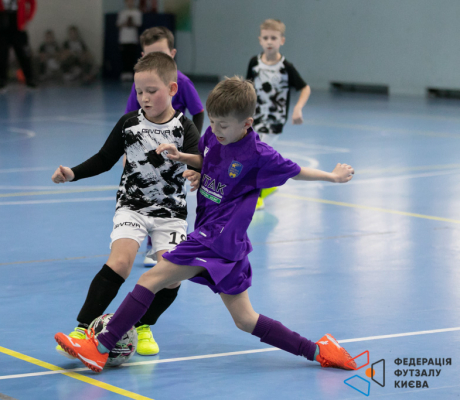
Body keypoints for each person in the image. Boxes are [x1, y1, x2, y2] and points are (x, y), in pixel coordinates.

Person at [55, 77, 357, 374]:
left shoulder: (259, 155)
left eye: (223, 125)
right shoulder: (213, 136)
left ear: (247, 123)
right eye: (212, 122)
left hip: (216, 238)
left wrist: (333, 177)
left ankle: (100, 347)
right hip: (228, 245)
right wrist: (184, 158)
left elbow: (295, 170)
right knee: (245, 319)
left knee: (151, 279)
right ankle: (318, 351)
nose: (215, 129)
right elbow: (207, 159)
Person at [51, 52, 200, 358]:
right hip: (132, 206)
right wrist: (72, 173)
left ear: (172, 89)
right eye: (139, 91)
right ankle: (82, 329)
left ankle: (142, 326)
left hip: (171, 213)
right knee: (120, 262)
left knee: (171, 275)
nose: (144, 97)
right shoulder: (129, 124)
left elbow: (200, 161)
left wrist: (196, 170)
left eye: (152, 91)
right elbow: (105, 159)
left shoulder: (185, 127)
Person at [125, 26, 205, 267]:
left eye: (161, 53)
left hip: (175, 152)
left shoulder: (182, 81)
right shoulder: (141, 85)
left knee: (173, 197)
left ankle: (177, 244)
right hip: (148, 151)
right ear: (142, 57)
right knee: (150, 195)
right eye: (150, 55)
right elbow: (130, 117)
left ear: (172, 53)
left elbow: (199, 112)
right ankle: (153, 246)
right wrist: (129, 151)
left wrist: (191, 148)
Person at [246, 19, 311, 210]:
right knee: (252, 153)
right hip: (254, 118)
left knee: (257, 155)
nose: (269, 41)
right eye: (266, 38)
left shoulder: (286, 67)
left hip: (274, 120)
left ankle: (257, 195)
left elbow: (305, 88)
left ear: (281, 40)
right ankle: (268, 186)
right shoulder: (254, 63)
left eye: (273, 38)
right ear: (260, 40)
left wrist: (298, 108)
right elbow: (247, 87)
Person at [0, 0, 37, 90]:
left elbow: (32, 3)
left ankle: (29, 79)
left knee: (24, 54)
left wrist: (28, 18)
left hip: (18, 27)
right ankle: (2, 80)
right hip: (2, 26)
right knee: (1, 55)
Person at [116, 0, 142, 82]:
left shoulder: (137, 12)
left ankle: (131, 73)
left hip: (133, 38)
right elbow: (118, 24)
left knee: (132, 56)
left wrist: (132, 22)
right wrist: (125, 22)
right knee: (124, 56)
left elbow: (139, 24)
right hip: (124, 39)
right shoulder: (122, 13)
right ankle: (125, 73)